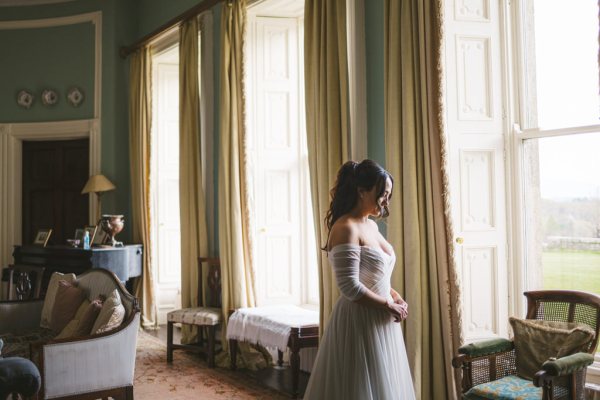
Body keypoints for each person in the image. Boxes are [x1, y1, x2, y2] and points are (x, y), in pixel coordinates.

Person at [303, 159, 416, 400]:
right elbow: (349, 287)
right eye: (382, 194)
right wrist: (388, 304)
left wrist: (396, 297)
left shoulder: (372, 226)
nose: (386, 200)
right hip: (359, 321)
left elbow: (377, 275)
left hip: (382, 319)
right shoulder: (345, 228)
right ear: (362, 190)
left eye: (388, 195)